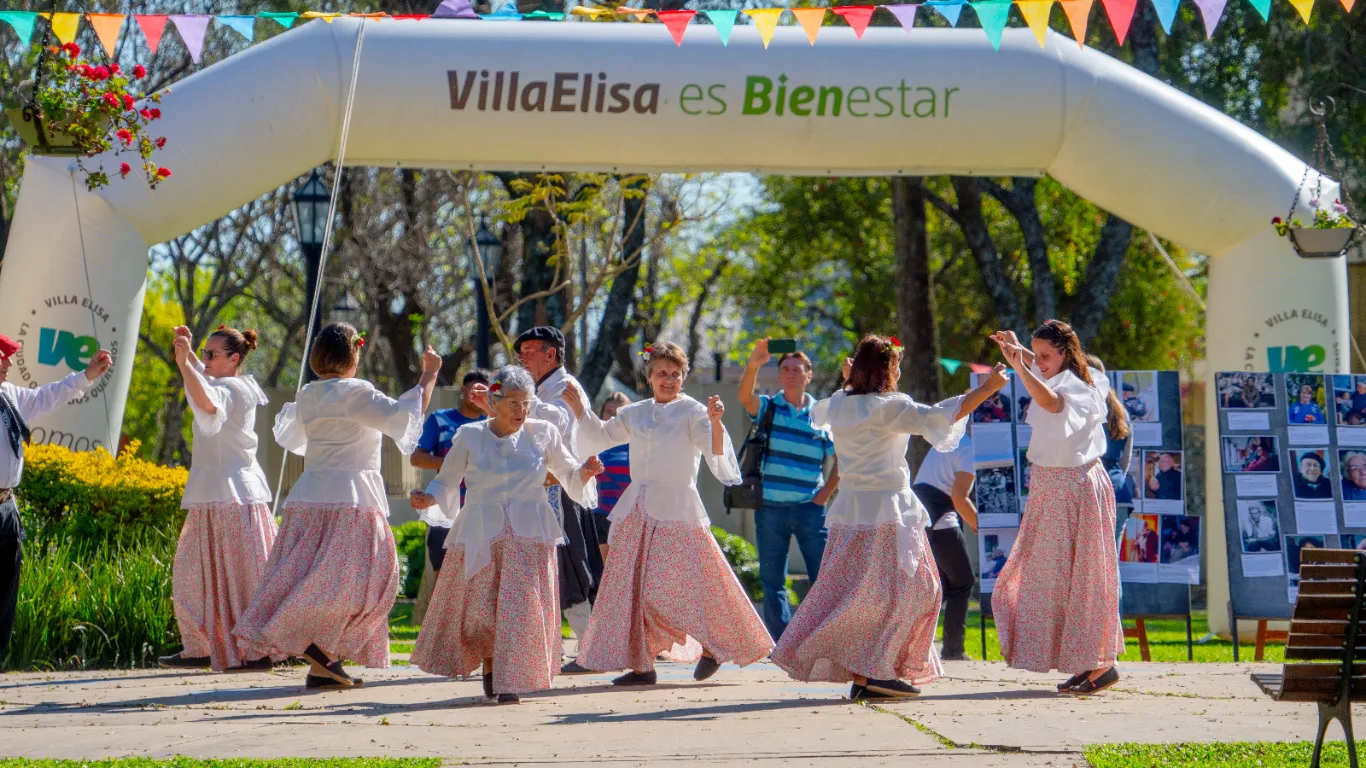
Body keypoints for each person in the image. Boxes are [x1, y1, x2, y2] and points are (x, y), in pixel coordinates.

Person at [772, 336, 1008, 699]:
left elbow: (822, 410)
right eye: (895, 364)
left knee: (860, 595)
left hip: (851, 513)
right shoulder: (890, 406)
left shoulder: (839, 404)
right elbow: (944, 414)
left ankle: (867, 674)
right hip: (888, 512)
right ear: (886, 369)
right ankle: (878, 670)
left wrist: (850, 382)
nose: (899, 370)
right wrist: (988, 389)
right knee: (917, 591)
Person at [233, 323, 437, 689]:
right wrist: (429, 376)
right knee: (367, 580)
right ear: (352, 357)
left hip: (309, 495)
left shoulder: (309, 395)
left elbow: (291, 437)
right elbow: (403, 418)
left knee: (303, 571)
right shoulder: (356, 392)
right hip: (352, 495)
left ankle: (322, 664)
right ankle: (313, 643)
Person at [565, 341, 772, 686]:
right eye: (662, 373)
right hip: (637, 511)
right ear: (649, 377)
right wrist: (578, 408)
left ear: (683, 378)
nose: (669, 379)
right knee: (630, 589)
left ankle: (712, 645)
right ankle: (642, 666)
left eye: (675, 374)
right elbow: (598, 437)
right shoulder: (636, 412)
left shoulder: (692, 412)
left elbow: (715, 454)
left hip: (679, 509)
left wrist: (716, 422)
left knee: (686, 586)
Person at [409, 366, 604, 704]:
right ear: (494, 402)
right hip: (482, 532)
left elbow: (567, 472)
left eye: (526, 402)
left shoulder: (543, 432)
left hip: (529, 534)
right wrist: (429, 497)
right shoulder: (470, 435)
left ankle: (508, 677)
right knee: (482, 612)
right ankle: (490, 665)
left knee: (522, 610)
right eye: (512, 402)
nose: (520, 410)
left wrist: (584, 472)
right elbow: (446, 479)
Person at [989, 320, 1124, 695]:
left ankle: (1100, 664)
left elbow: (1053, 400)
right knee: (1059, 580)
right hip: (1056, 486)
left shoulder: (1081, 384)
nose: (1039, 362)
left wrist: (1019, 366)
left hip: (1072, 486)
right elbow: (1048, 375)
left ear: (1065, 352)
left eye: (1047, 355)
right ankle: (1087, 660)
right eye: (1038, 355)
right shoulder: (1072, 374)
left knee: (1083, 579)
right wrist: (1021, 352)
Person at [158, 325, 277, 673]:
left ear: (234, 359)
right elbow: (206, 384)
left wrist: (184, 363)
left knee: (236, 575)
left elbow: (209, 401)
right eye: (204, 355)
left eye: (212, 355)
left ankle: (247, 651)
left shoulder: (231, 388)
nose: (205, 360)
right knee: (198, 571)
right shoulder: (229, 382)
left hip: (230, 496)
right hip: (224, 494)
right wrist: (191, 354)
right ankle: (205, 646)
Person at [0, 335, 112, 656]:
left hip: (6, 507)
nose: (9, 363)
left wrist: (87, 375)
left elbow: (47, 397)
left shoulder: (8, 395)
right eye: (3, 356)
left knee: (5, 589)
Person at [509, 326, 602, 674]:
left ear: (551, 354)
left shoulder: (563, 388)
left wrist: (512, 404)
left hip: (561, 490)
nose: (522, 355)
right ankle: (555, 649)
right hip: (546, 490)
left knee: (569, 569)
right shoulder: (540, 390)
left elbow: (557, 426)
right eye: (521, 350)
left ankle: (592, 650)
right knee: (553, 570)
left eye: (530, 349)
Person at [737, 339, 839, 641]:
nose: (792, 373)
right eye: (786, 369)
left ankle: (823, 639)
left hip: (811, 508)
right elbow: (745, 397)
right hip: (770, 508)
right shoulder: (769, 407)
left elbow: (842, 460)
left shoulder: (822, 415)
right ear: (779, 375)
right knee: (772, 580)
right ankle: (781, 643)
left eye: (798, 368)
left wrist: (823, 497)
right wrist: (754, 363)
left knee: (823, 579)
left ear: (809, 374)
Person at [411, 369, 491, 573]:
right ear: (463, 390)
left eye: (484, 392)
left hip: (483, 513)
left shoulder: (494, 426)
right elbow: (417, 457)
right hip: (446, 508)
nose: (478, 396)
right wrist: (455, 463)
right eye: (474, 390)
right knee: (443, 573)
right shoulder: (440, 419)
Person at [911, 434, 977, 661]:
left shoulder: (947, 441)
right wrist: (978, 525)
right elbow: (960, 498)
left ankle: (913, 647)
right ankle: (953, 650)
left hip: (921, 515)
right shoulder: (969, 448)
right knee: (962, 582)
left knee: (938, 586)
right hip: (940, 520)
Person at [591, 392, 633, 560]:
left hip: (629, 518)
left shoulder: (641, 443)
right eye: (609, 412)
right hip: (600, 516)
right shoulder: (593, 442)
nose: (613, 417)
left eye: (619, 413)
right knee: (603, 574)